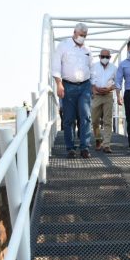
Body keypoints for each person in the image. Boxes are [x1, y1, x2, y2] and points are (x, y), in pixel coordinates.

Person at [51, 22, 93, 159]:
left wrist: (92, 85)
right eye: (81, 35)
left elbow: (91, 67)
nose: (82, 38)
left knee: (85, 116)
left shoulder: (87, 49)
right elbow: (55, 67)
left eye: (85, 36)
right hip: (68, 86)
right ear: (74, 32)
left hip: (85, 86)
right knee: (69, 118)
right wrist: (59, 84)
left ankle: (85, 147)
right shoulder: (63, 46)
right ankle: (70, 148)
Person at [90, 49, 117, 153]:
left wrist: (110, 88)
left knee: (107, 120)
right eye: (103, 56)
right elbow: (89, 80)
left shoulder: (114, 68)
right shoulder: (93, 67)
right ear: (99, 56)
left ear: (110, 57)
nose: (105, 58)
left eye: (107, 57)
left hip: (108, 95)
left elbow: (118, 82)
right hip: (96, 96)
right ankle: (98, 139)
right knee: (94, 120)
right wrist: (94, 88)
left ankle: (106, 144)